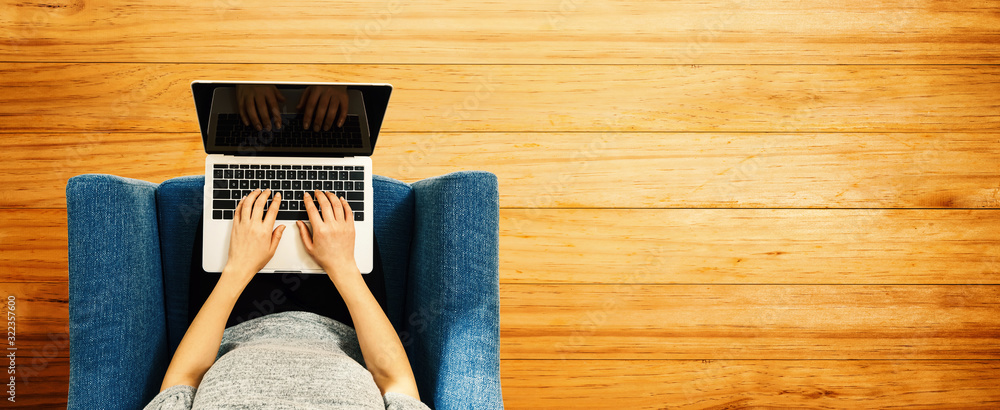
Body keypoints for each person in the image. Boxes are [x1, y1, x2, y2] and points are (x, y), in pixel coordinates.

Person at [143, 189, 429, 409]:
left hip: (230, 317)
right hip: (348, 317)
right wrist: (344, 268)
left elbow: (184, 381)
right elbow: (395, 381)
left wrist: (237, 269)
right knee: (329, 180)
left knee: (246, 175)